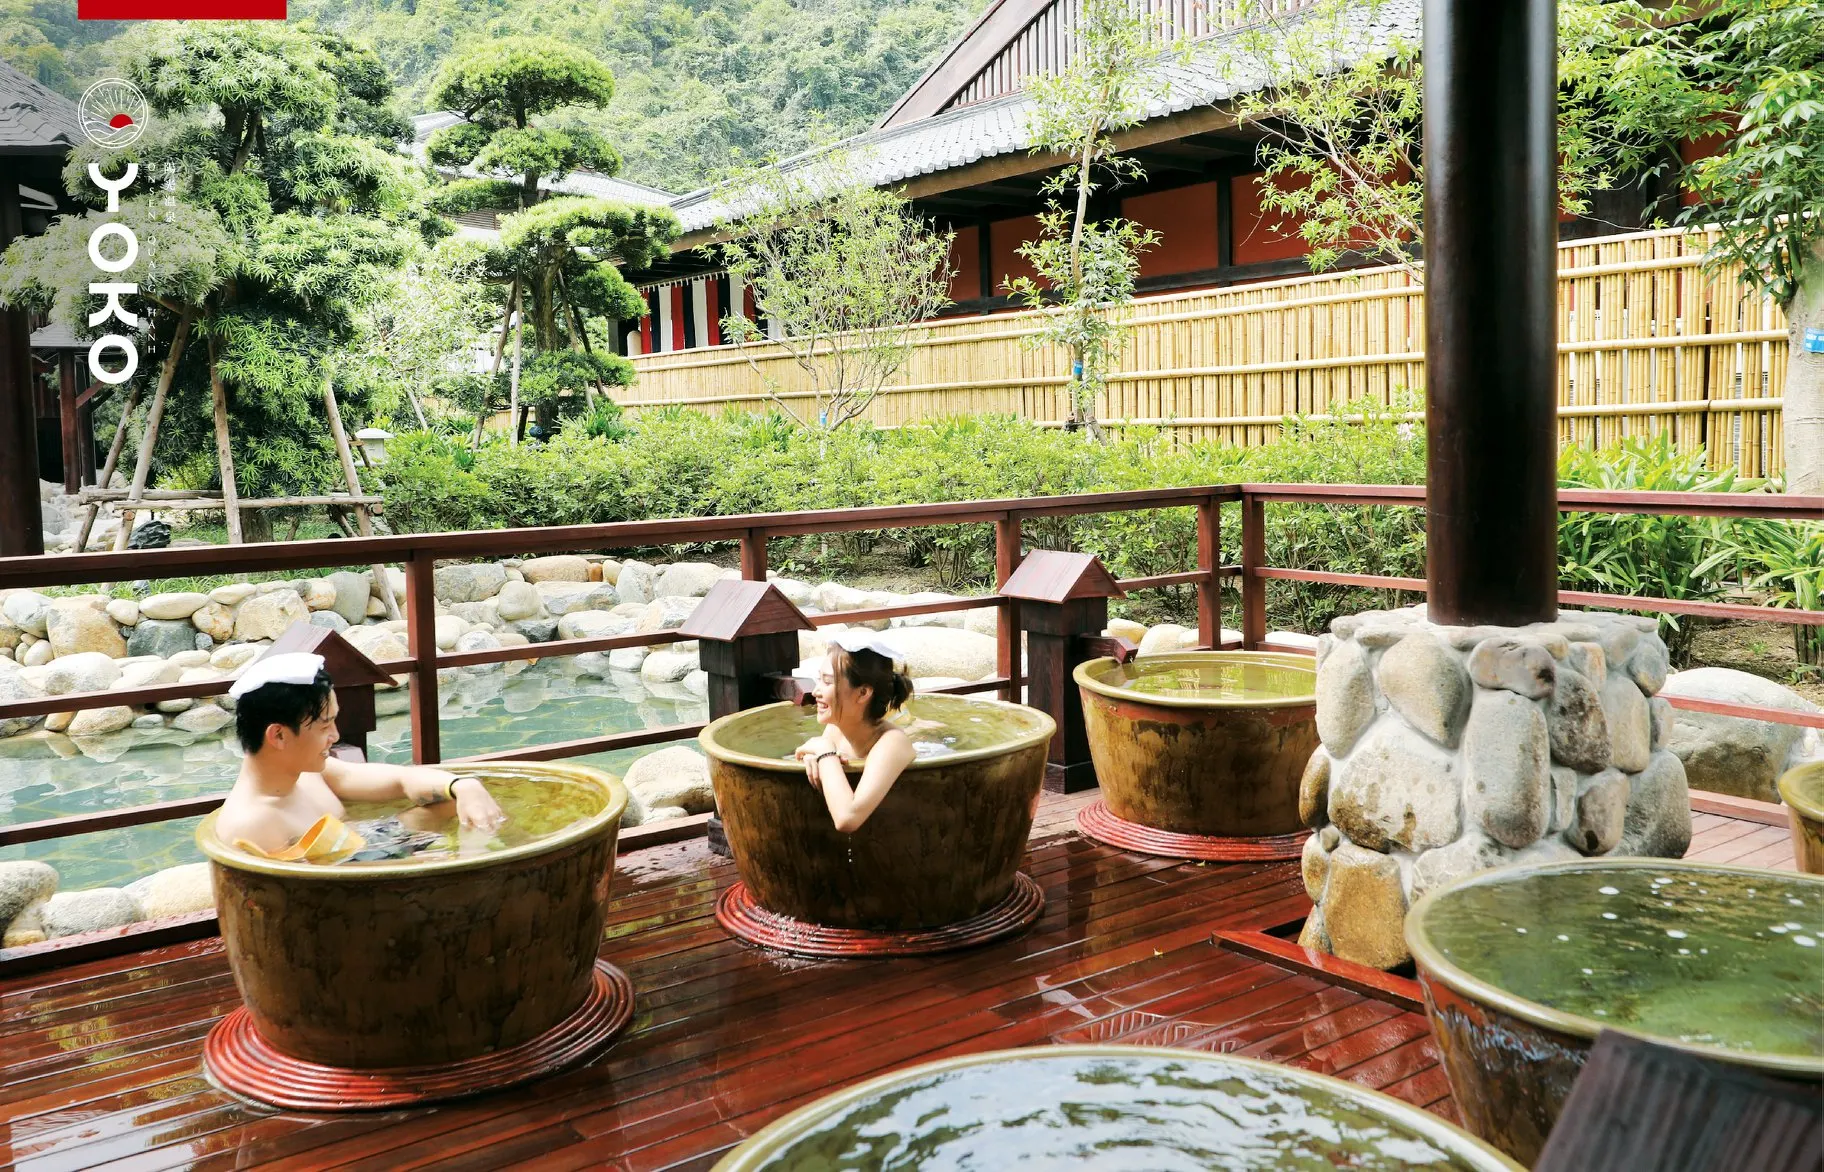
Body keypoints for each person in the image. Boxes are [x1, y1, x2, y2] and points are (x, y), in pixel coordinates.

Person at [213, 652, 506, 859]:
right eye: (325, 725)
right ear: (278, 735)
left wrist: (463, 786)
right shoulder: (252, 825)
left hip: (370, 846)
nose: (335, 736)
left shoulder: (311, 774)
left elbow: (402, 779)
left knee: (457, 805)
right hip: (355, 893)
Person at [793, 630, 917, 833]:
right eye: (819, 680)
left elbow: (847, 819)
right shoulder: (835, 729)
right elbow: (826, 762)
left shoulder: (892, 742)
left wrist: (824, 751)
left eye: (827, 682)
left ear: (863, 693)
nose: (815, 691)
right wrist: (813, 757)